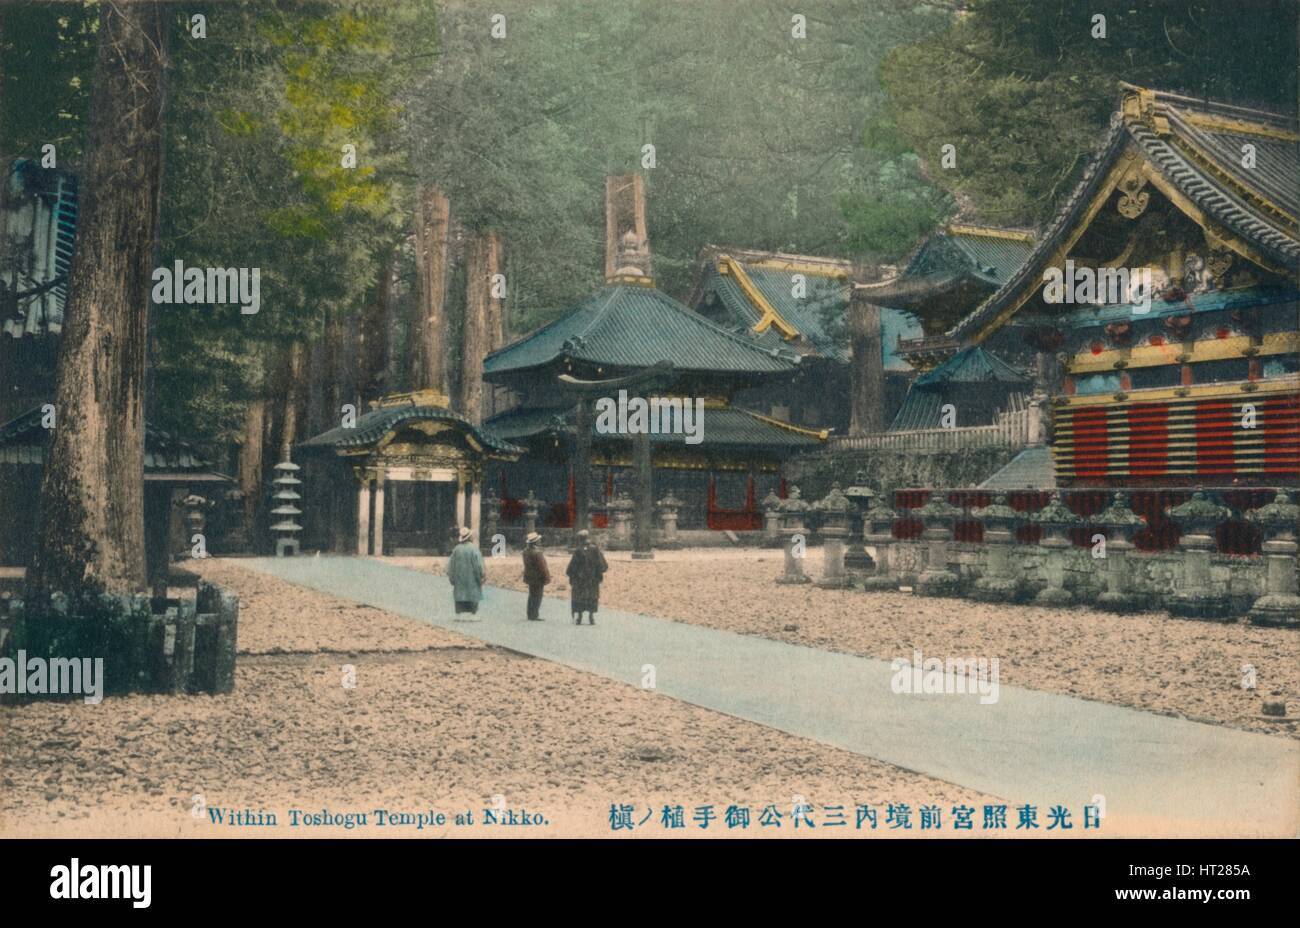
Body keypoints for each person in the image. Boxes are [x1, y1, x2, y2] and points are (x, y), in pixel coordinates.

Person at [565, 529, 608, 625]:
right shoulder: (595, 549)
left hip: (580, 580)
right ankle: (591, 617)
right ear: (588, 537)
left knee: (580, 596)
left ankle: (579, 617)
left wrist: (572, 575)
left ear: (579, 539)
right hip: (592, 579)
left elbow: (572, 566)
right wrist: (598, 573)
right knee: (592, 596)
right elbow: (601, 564)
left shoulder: (578, 550)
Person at [447, 527, 485, 618]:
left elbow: (451, 565)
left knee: (460, 593)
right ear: (469, 537)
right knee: (472, 593)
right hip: (472, 577)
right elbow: (479, 565)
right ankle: (473, 613)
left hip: (459, 577)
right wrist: (481, 575)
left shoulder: (456, 549)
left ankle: (459, 613)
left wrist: (451, 577)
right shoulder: (474, 549)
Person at [522, 532, 550, 621]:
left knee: (531, 595)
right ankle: (534, 614)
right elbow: (543, 567)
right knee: (537, 596)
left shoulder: (525, 551)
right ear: (536, 542)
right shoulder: (537, 553)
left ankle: (530, 614)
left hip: (529, 576)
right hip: (538, 577)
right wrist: (547, 577)